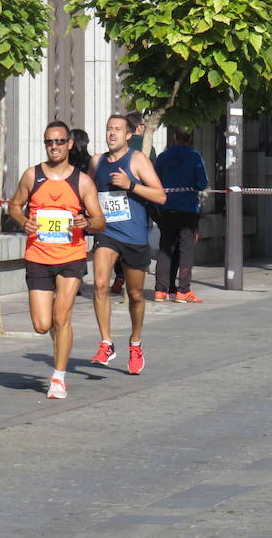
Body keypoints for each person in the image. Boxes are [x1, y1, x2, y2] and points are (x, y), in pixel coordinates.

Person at [8, 121, 106, 399]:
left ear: (69, 144)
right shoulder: (32, 176)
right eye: (49, 142)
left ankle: (58, 378)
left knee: (62, 316)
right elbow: (14, 205)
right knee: (42, 324)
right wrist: (23, 221)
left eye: (59, 141)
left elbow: (100, 221)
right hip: (38, 256)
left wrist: (85, 221)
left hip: (71, 256)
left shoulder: (82, 181)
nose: (54, 147)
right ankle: (60, 341)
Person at [89, 114, 167, 374]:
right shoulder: (97, 161)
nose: (112, 133)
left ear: (128, 135)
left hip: (134, 237)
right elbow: (88, 193)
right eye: (109, 128)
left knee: (135, 295)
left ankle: (135, 342)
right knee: (100, 283)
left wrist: (131, 185)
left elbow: (160, 195)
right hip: (107, 232)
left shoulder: (137, 160)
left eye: (117, 129)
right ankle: (106, 343)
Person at [154, 128, 209, 303]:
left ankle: (160, 290)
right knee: (186, 249)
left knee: (165, 249)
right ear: (191, 138)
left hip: (166, 209)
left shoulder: (162, 157)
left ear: (174, 137)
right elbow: (202, 183)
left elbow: (155, 181)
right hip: (188, 210)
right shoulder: (195, 157)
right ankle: (183, 290)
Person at [110, 112, 156, 297]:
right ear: (138, 128)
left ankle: (119, 275)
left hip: (115, 202)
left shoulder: (116, 148)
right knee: (136, 241)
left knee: (114, 239)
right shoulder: (146, 148)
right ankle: (133, 276)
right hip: (138, 203)